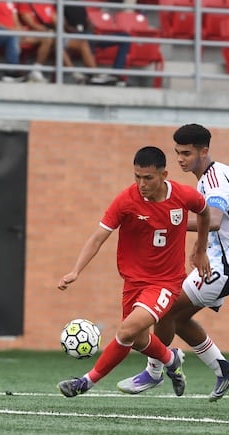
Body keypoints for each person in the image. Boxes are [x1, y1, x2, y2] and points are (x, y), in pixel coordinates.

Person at [117, 124, 229, 401]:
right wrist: (200, 247)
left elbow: (214, 219)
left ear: (203, 151)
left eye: (186, 153)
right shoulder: (208, 178)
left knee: (166, 307)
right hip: (221, 262)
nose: (181, 159)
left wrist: (169, 223)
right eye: (177, 153)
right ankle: (223, 368)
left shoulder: (217, 178)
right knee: (178, 317)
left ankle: (155, 370)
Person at [57, 146, 212, 398]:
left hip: (166, 283)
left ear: (164, 174)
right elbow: (98, 238)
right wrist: (76, 270)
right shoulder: (126, 201)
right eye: (137, 177)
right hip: (133, 282)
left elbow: (205, 212)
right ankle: (170, 360)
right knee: (139, 340)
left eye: (148, 178)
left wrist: (201, 249)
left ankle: (85, 382)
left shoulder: (184, 196)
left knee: (125, 331)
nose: (141, 184)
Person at [63, 1, 130, 86]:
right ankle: (94, 75)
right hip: (75, 37)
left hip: (89, 35)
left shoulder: (80, 5)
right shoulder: (61, 4)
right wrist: (76, 31)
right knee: (88, 36)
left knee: (125, 37)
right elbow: (63, 25)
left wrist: (91, 27)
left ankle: (116, 75)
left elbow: (88, 21)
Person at [0, 0, 49, 83]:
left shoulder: (11, 1)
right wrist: (11, 30)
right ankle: (10, 73)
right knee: (13, 37)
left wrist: (20, 30)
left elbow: (15, 20)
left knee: (47, 37)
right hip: (0, 34)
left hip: (14, 33)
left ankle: (36, 71)